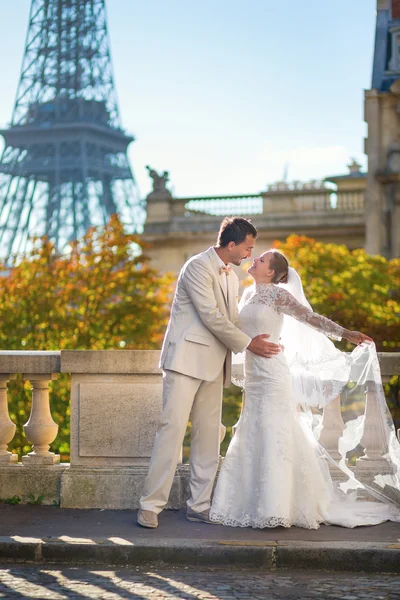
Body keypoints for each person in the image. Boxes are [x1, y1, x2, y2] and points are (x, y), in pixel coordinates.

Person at [210, 249, 400, 528]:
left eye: (261, 259)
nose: (255, 260)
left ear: (272, 272)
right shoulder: (247, 294)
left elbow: (310, 318)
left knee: (277, 431)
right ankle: (248, 502)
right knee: (252, 431)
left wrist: (346, 334)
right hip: (254, 374)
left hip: (274, 373)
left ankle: (278, 507)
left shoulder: (278, 295)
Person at [137, 217, 282, 529]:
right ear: (230, 244)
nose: (249, 254)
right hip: (185, 361)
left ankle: (199, 505)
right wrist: (249, 345)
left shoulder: (232, 277)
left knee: (208, 438)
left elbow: (233, 319)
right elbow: (210, 315)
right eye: (247, 248)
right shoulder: (196, 266)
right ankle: (150, 505)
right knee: (171, 432)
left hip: (216, 364)